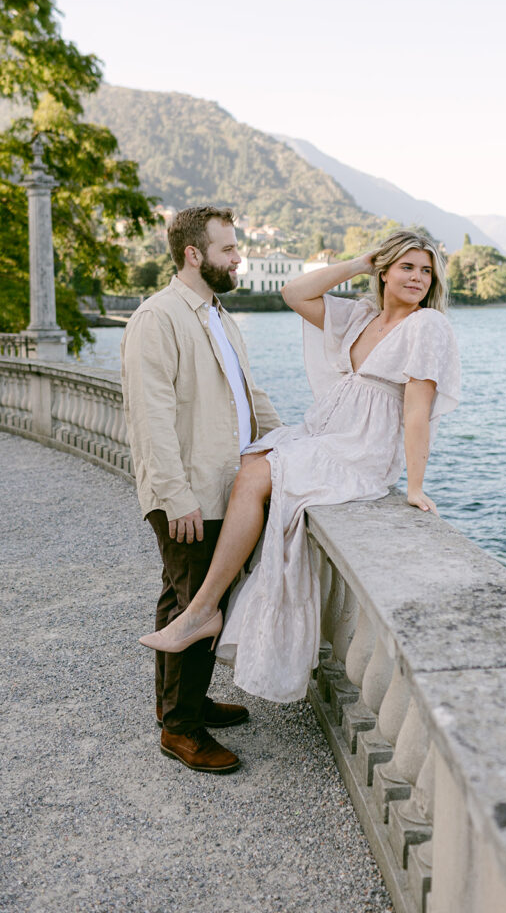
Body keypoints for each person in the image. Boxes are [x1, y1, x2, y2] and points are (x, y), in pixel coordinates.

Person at [139, 229, 460, 705]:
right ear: (385, 269)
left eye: (426, 271)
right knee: (249, 464)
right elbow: (295, 292)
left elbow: (416, 413)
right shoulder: (361, 316)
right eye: (407, 266)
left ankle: (203, 608)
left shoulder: (427, 327)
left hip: (360, 448)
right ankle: (205, 611)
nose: (417, 278)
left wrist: (414, 487)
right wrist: (358, 263)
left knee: (257, 475)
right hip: (326, 432)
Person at [121, 205, 281, 774]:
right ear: (194, 254)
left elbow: (247, 394)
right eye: (229, 250)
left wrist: (288, 441)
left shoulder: (218, 314)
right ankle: (180, 729)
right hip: (189, 491)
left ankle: (189, 702)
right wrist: (175, 495)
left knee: (193, 597)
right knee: (193, 600)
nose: (239, 258)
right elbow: (150, 416)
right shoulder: (158, 318)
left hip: (224, 484)